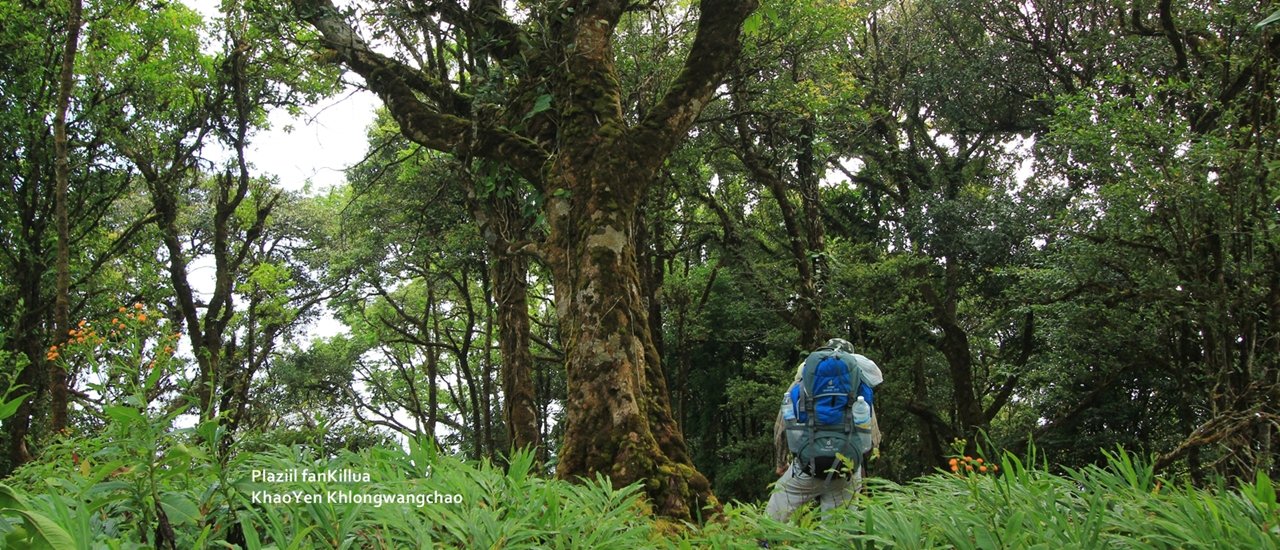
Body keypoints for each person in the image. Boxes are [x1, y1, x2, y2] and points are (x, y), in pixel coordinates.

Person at [765, 337, 882, 522]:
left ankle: (764, 537)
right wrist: (858, 463)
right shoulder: (859, 386)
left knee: (776, 512)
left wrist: (781, 462)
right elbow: (872, 436)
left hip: (806, 466)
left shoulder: (803, 382)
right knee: (839, 528)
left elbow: (782, 427)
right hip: (846, 469)